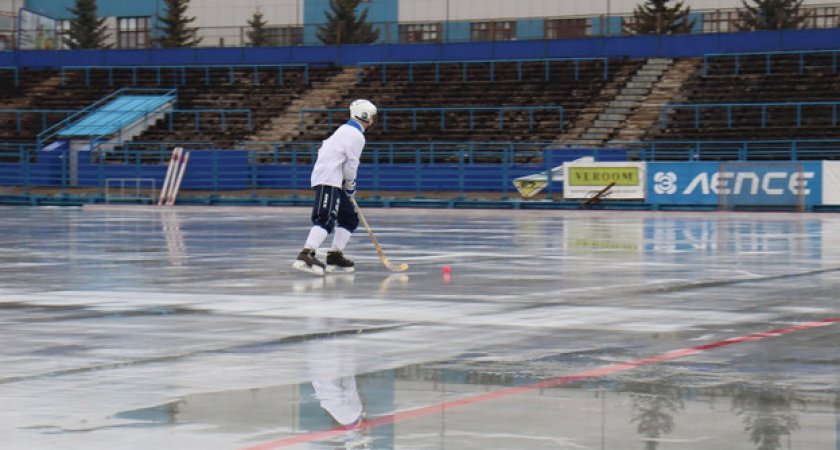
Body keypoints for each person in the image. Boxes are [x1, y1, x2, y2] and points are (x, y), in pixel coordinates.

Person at [292, 99, 377, 275]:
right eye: (372, 117)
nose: (373, 121)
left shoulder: (345, 130)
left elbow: (324, 150)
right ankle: (306, 254)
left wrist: (345, 184)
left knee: (349, 218)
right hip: (329, 180)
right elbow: (351, 165)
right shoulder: (355, 135)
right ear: (365, 116)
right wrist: (350, 185)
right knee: (326, 218)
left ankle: (335, 256)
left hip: (334, 180)